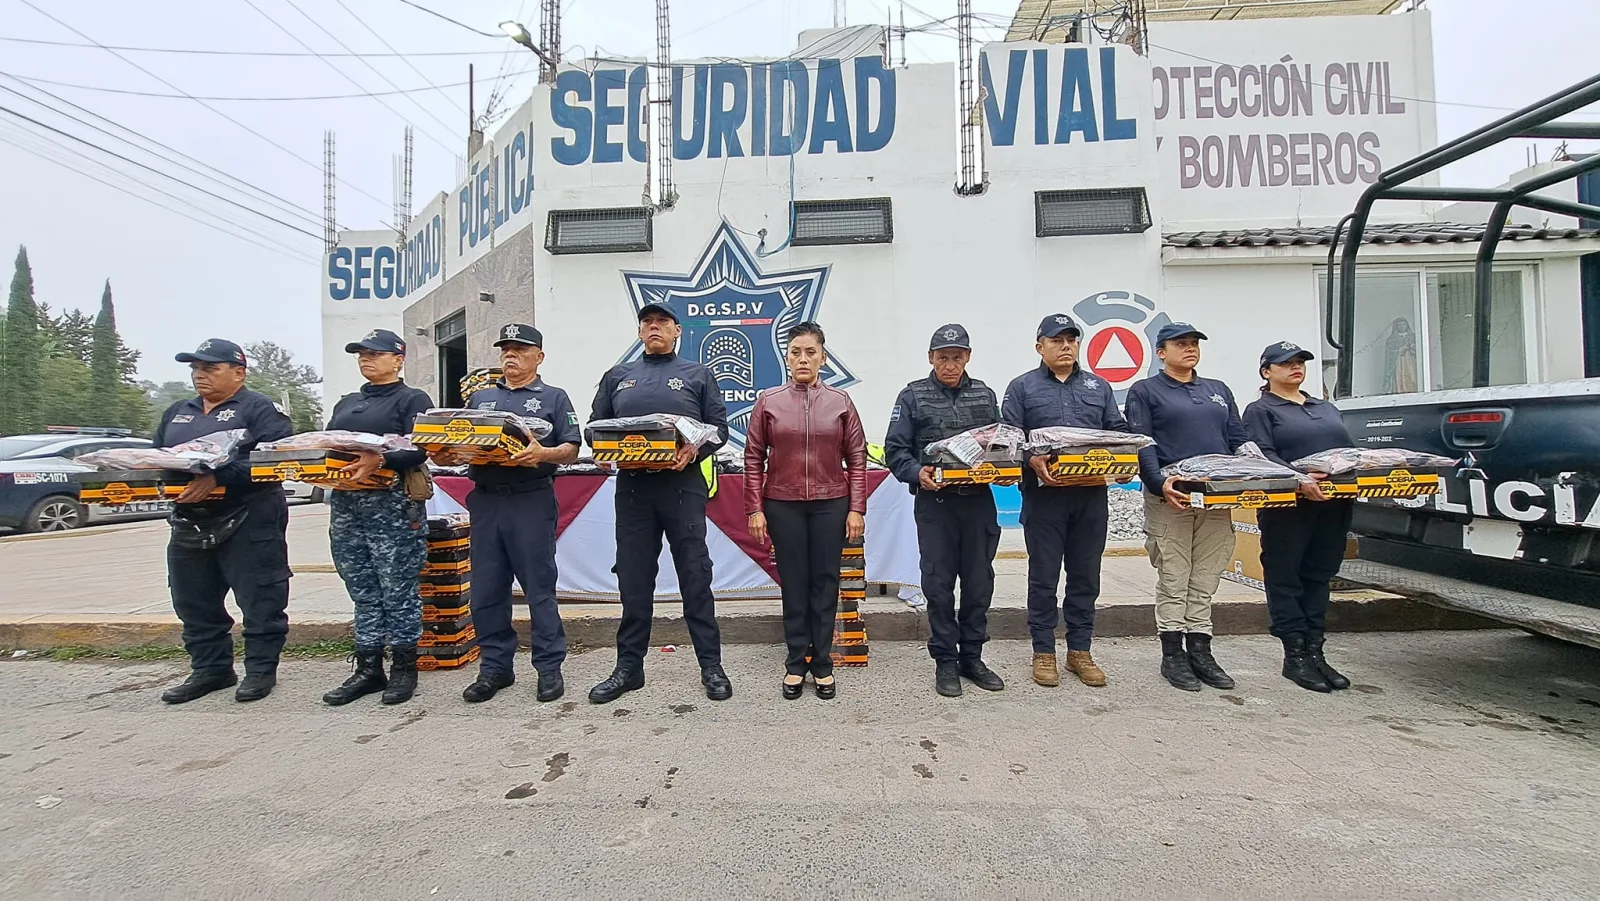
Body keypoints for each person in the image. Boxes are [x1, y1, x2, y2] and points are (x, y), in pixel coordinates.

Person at [587, 304, 732, 704]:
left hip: (681, 486)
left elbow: (719, 431)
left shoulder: (697, 375)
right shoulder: (618, 376)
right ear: (639, 332)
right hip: (633, 488)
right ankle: (628, 668)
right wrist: (601, 448)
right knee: (633, 580)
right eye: (648, 323)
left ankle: (711, 665)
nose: (655, 327)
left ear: (677, 331)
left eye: (662, 322)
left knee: (695, 577)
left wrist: (693, 451)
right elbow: (593, 427)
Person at [438, 324, 581, 704]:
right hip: (485, 501)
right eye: (505, 349)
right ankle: (495, 669)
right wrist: (444, 453)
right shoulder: (480, 399)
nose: (510, 356)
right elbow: (455, 444)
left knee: (539, 588)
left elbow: (571, 448)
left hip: (530, 499)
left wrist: (543, 454)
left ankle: (549, 667)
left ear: (539, 356)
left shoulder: (554, 397)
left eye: (520, 349)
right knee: (486, 589)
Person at [155, 339, 293, 704]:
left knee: (260, 596)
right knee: (192, 599)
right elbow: (161, 457)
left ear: (238, 372)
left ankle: (261, 671)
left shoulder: (260, 409)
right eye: (196, 368)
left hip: (249, 513)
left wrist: (220, 476)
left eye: (211, 368)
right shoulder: (177, 412)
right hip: (191, 518)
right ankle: (211, 670)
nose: (200, 375)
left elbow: (277, 459)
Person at [1000, 313, 1128, 689]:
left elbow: (1116, 431)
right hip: (1044, 499)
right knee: (1043, 577)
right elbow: (1009, 437)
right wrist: (1031, 459)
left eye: (1072, 339)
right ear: (1040, 346)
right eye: (1057, 340)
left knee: (1086, 576)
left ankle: (1080, 650)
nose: (1066, 346)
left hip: (1090, 496)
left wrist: (1125, 460)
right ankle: (1043, 650)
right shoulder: (1022, 388)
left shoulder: (1097, 386)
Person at [744, 322, 867, 700]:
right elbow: (753, 458)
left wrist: (856, 508)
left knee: (825, 582)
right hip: (783, 504)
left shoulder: (841, 403)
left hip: (832, 503)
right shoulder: (769, 401)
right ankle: (797, 661)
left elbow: (857, 457)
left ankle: (824, 663)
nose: (802, 359)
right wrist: (755, 508)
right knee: (795, 584)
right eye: (795, 352)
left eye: (810, 352)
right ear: (786, 357)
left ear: (823, 358)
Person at [1124, 322, 1249, 693]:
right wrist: (1157, 483)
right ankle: (1172, 653)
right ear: (1161, 352)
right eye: (1180, 344)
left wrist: (1257, 474)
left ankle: (1201, 648)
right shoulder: (1145, 391)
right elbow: (1143, 442)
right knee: (1175, 572)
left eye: (1194, 343)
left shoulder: (1217, 391)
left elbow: (1238, 440)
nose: (1189, 348)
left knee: (1207, 573)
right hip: (1172, 496)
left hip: (1215, 497)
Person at [884, 324, 1006, 698]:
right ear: (931, 358)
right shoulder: (912, 396)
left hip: (978, 504)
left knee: (979, 583)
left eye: (956, 356)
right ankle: (945, 663)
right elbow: (895, 450)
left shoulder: (985, 396)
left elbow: (1002, 445)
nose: (949, 364)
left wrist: (1004, 470)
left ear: (967, 356)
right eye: (942, 357)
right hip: (935, 504)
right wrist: (916, 473)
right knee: (938, 586)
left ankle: (972, 658)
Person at [320, 329, 435, 707]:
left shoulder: (411, 399)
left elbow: (421, 448)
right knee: (363, 589)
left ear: (398, 359)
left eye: (375, 353)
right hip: (349, 505)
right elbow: (328, 445)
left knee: (398, 589)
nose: (366, 359)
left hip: (392, 504)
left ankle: (404, 668)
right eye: (361, 354)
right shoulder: (347, 403)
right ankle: (368, 667)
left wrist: (381, 458)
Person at [1242, 341, 1354, 693]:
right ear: (1266, 372)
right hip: (1288, 507)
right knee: (1286, 576)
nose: (1295, 367)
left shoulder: (1325, 407)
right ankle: (1294, 655)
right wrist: (1300, 480)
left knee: (1319, 575)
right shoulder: (1261, 410)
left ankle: (1315, 650)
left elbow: (1346, 451)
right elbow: (1261, 455)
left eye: (1300, 362)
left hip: (1334, 504)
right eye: (1285, 363)